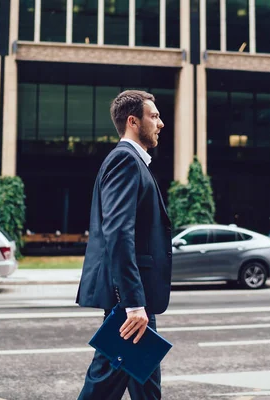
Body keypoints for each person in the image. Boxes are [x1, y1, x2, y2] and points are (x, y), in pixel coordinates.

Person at [76, 90, 173, 400]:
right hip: (130, 302)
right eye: (154, 116)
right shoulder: (125, 161)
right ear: (133, 121)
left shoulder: (134, 162)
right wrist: (133, 304)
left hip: (135, 298)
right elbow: (118, 233)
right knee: (103, 387)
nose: (161, 123)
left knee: (146, 386)